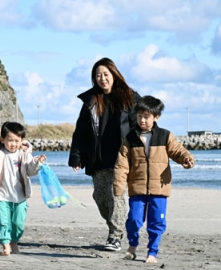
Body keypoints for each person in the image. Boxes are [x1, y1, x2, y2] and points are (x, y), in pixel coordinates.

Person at [68, 57, 141, 251]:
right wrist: (77, 157)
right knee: (100, 197)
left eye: (105, 74)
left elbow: (139, 126)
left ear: (114, 75)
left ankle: (115, 236)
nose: (102, 78)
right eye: (98, 75)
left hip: (122, 157)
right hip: (98, 157)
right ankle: (115, 228)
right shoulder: (91, 101)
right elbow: (81, 132)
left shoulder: (130, 97)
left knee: (116, 196)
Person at [113, 95, 194, 263]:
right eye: (139, 116)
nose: (142, 120)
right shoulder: (130, 138)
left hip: (159, 188)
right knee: (134, 220)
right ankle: (133, 245)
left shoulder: (165, 136)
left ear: (156, 117)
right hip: (137, 187)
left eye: (146, 116)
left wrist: (187, 158)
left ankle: (152, 252)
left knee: (156, 222)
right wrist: (118, 187)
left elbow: (178, 151)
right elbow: (121, 165)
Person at [0, 121, 46, 256]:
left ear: (22, 141)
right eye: (10, 140)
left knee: (18, 224)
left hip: (20, 197)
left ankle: (14, 242)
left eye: (16, 141)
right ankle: (5, 245)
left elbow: (30, 171)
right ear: (2, 139)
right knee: (4, 222)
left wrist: (37, 163)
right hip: (2, 196)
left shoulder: (24, 154)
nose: (13, 144)